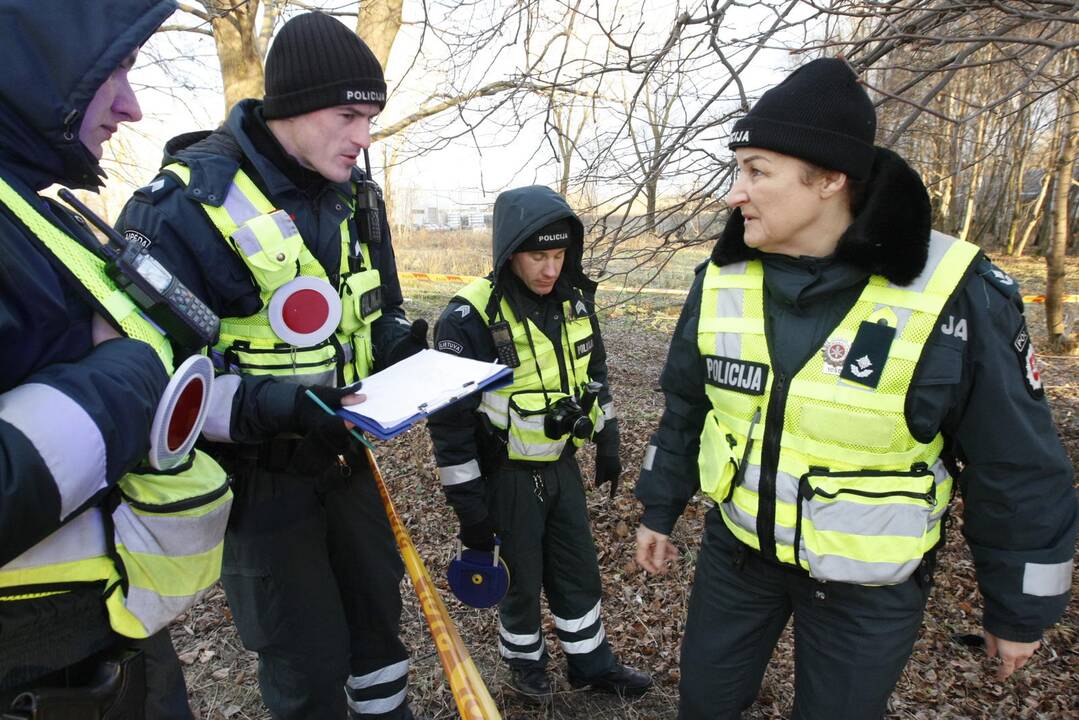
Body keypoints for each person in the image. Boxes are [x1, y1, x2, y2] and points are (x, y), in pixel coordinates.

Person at [634, 58, 1077, 719]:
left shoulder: (953, 293)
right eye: (738, 170)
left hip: (865, 585)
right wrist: (657, 507)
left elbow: (1015, 465)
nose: (735, 192)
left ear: (828, 179)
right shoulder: (722, 280)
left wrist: (1018, 609)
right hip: (737, 558)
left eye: (755, 170)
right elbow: (687, 406)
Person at [115, 12, 426, 720]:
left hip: (350, 470)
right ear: (287, 108)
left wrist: (403, 352)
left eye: (372, 118)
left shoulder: (356, 199)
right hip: (262, 492)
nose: (363, 138)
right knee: (306, 668)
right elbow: (150, 389)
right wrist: (263, 410)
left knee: (380, 645)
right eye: (348, 115)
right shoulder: (183, 208)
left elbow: (373, 319)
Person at [0, 1, 232, 718]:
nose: (130, 108)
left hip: (105, 641)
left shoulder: (32, 207)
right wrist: (129, 374)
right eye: (111, 72)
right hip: (40, 674)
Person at [428, 185, 652, 701]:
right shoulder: (469, 318)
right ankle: (526, 666)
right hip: (505, 474)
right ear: (510, 254)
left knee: (578, 568)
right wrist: (470, 509)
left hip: (561, 465)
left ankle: (590, 664)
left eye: (559, 255)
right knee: (521, 578)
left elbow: (593, 374)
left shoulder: (573, 300)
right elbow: (450, 424)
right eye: (538, 256)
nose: (550, 269)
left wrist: (609, 439)